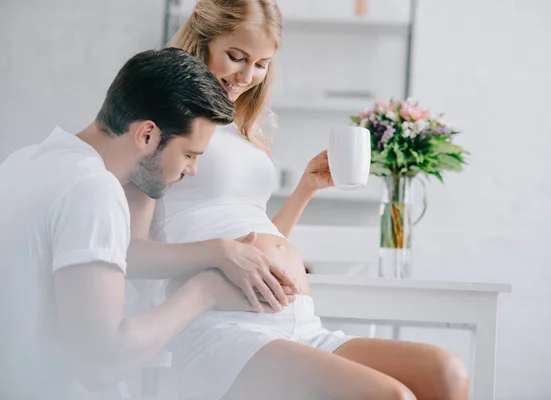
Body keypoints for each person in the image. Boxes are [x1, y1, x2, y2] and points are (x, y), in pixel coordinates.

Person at [125, 1, 471, 399]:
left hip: (298, 322)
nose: (247, 75)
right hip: (222, 327)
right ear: (202, 41)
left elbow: (256, 239)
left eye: (261, 63)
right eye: (236, 57)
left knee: (447, 373)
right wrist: (220, 253)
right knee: (392, 396)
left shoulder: (240, 128)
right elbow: (134, 255)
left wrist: (305, 188)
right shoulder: (160, 125)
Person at [0, 47, 247, 399]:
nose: (191, 170)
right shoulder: (93, 190)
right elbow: (100, 365)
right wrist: (204, 292)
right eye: (190, 155)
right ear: (147, 134)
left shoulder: (24, 161)